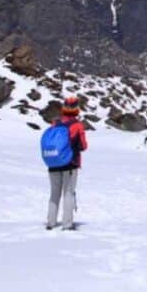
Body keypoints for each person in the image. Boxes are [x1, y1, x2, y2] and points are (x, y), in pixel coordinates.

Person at [47, 97, 88, 231]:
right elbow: (83, 146)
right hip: (70, 163)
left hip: (53, 162)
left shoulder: (55, 123)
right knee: (68, 193)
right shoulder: (77, 125)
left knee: (54, 193)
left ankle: (51, 222)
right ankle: (67, 224)